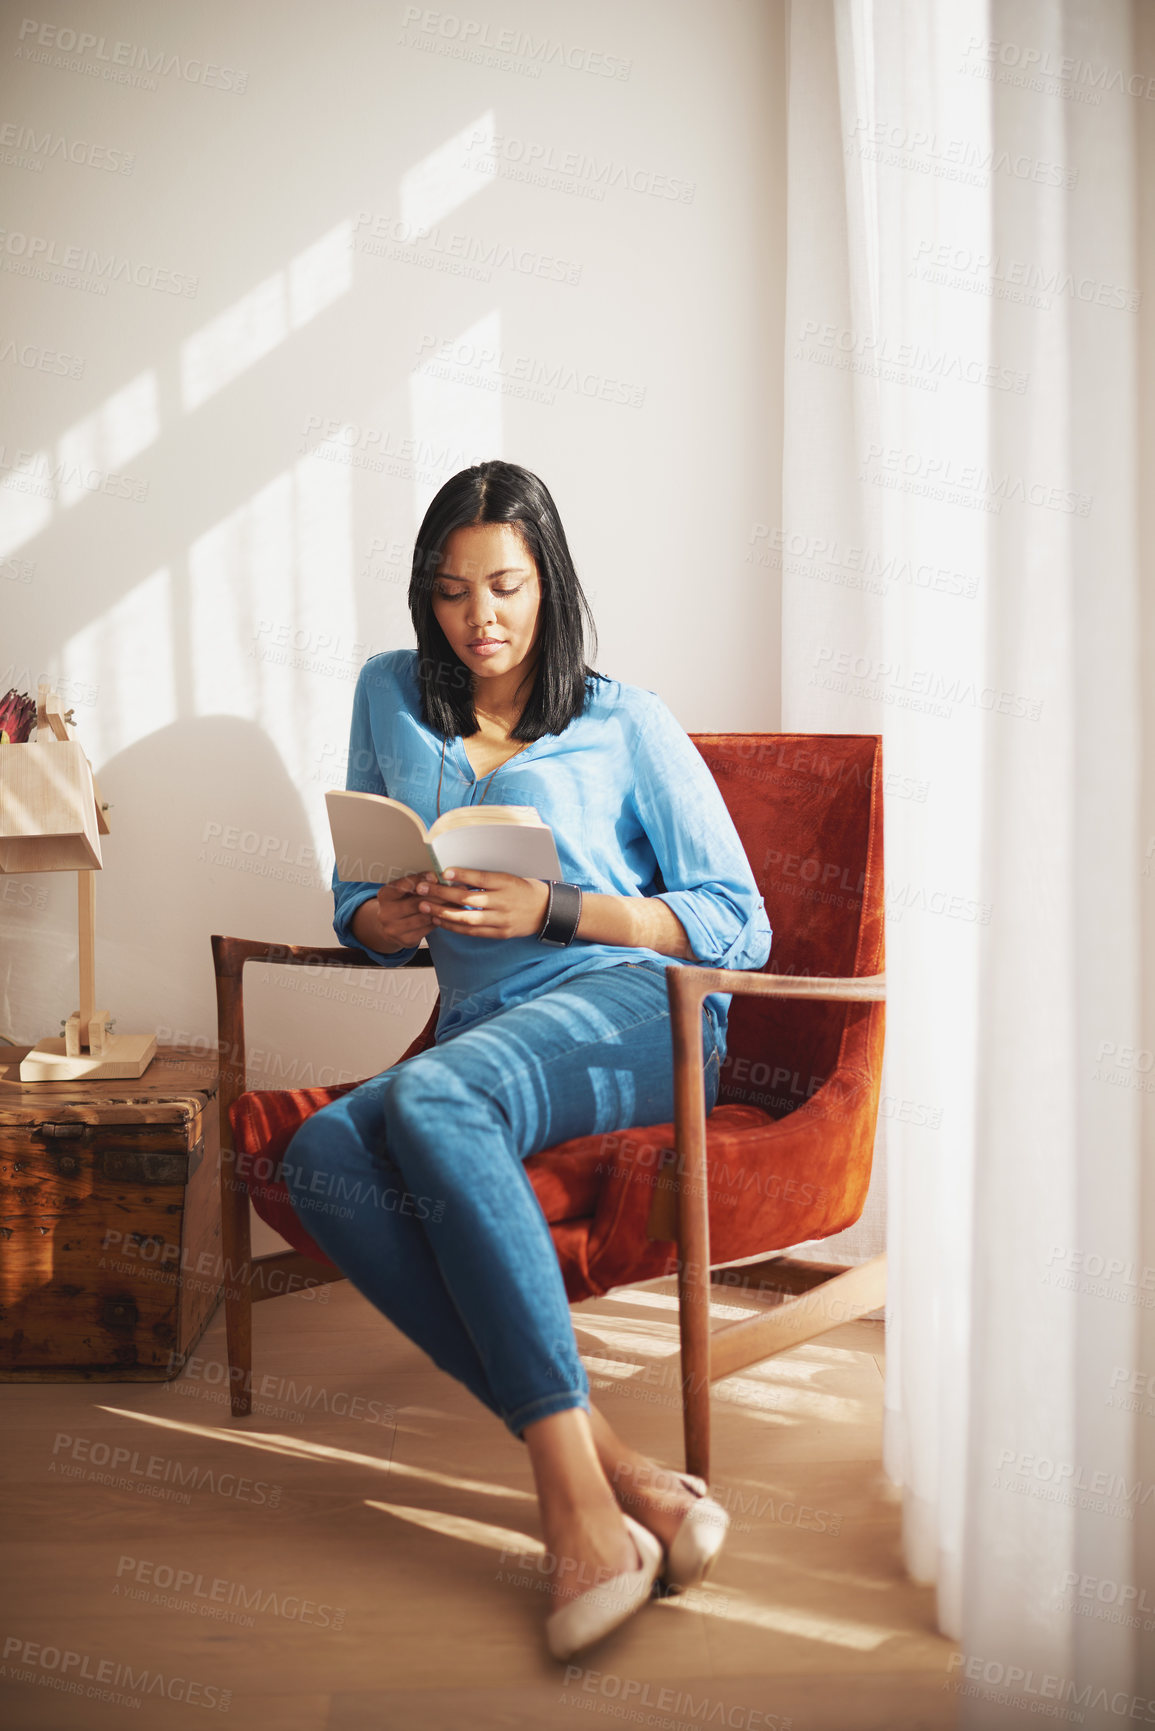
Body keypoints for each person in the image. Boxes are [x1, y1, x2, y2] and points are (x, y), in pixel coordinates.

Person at [284, 460, 772, 1659]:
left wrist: (558, 910)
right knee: (322, 1151)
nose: (480, 618)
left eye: (504, 586)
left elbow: (740, 921)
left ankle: (577, 1519)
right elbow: (357, 889)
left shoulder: (625, 718)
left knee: (438, 1099)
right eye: (451, 593)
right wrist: (380, 919)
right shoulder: (387, 695)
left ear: (549, 582)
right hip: (483, 1037)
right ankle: (633, 1481)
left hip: (632, 1014)